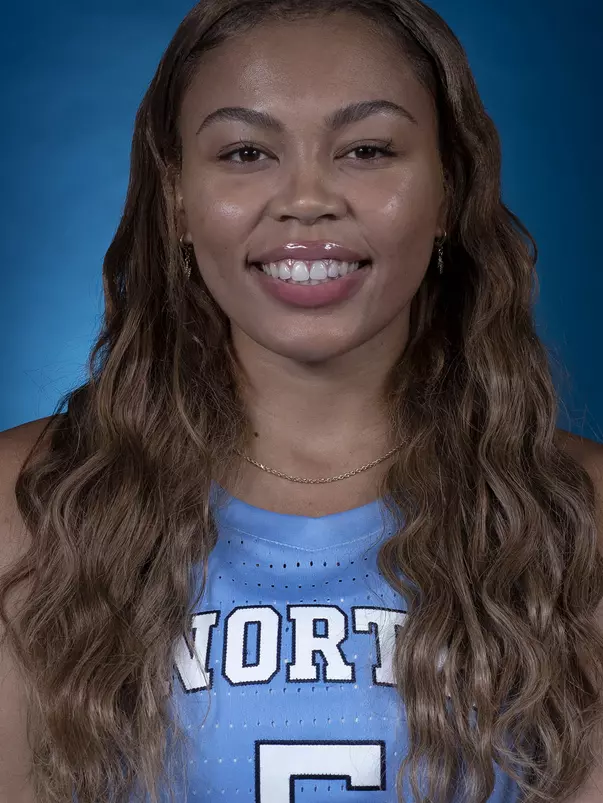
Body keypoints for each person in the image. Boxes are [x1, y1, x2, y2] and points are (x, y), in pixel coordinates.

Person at [1, 0, 602, 801]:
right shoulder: (25, 510)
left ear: (448, 193)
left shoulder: (581, 519)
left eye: (366, 149)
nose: (307, 199)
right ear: (177, 196)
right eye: (246, 151)